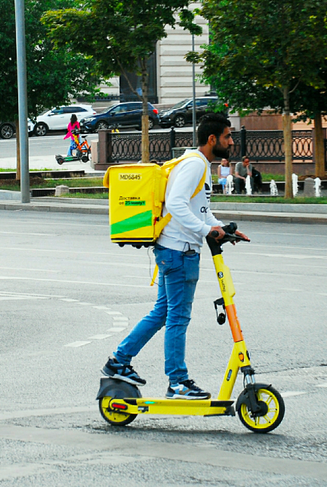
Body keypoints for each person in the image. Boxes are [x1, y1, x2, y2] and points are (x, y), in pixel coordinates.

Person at [102, 113, 248, 400]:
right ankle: (177, 382)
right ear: (212, 139)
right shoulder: (195, 165)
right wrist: (207, 230)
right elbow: (177, 205)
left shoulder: (198, 164)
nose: (231, 142)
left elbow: (198, 210)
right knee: (177, 317)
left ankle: (119, 361)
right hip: (180, 252)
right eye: (228, 136)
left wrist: (222, 229)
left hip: (175, 251)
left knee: (163, 313)